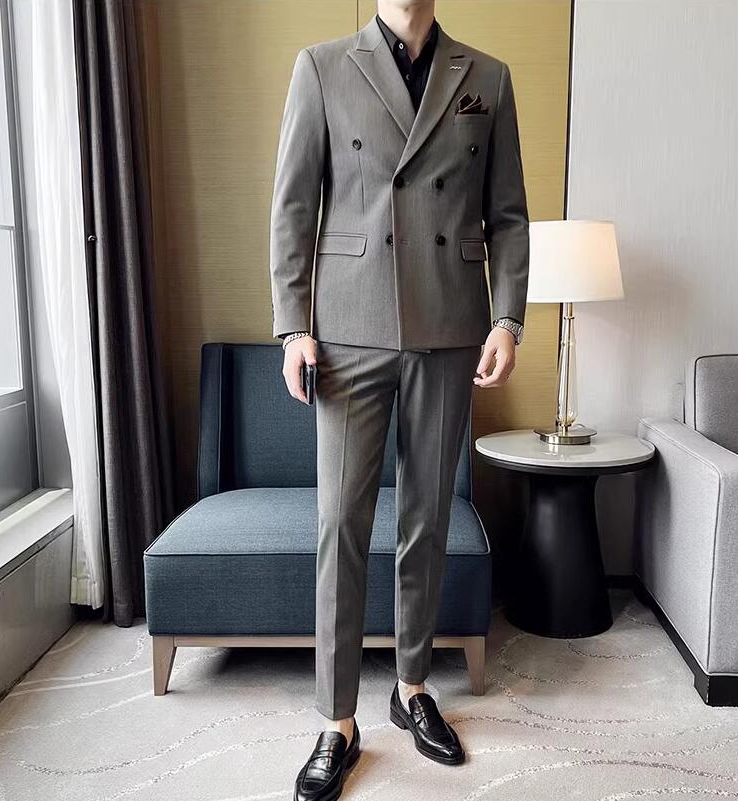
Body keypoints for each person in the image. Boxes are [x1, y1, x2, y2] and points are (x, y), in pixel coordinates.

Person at [269, 1, 528, 798]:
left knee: (426, 517)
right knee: (339, 523)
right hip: (347, 328)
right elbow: (293, 206)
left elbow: (507, 215)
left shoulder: (487, 77)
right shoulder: (321, 67)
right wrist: (292, 327)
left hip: (449, 325)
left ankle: (411, 686)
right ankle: (336, 721)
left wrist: (508, 318)